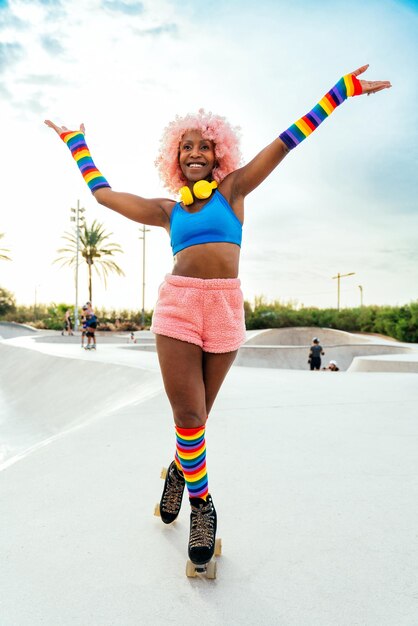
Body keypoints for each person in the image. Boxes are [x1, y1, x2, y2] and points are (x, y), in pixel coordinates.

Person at [45, 64, 390, 571]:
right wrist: (77, 142)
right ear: (174, 158)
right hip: (179, 305)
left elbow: (287, 141)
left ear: (218, 152)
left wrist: (340, 93)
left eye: (203, 145)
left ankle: (178, 473)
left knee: (198, 419)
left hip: (226, 308)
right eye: (185, 147)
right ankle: (203, 508)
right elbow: (104, 195)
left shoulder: (234, 191)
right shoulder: (168, 211)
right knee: (189, 417)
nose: (194, 153)